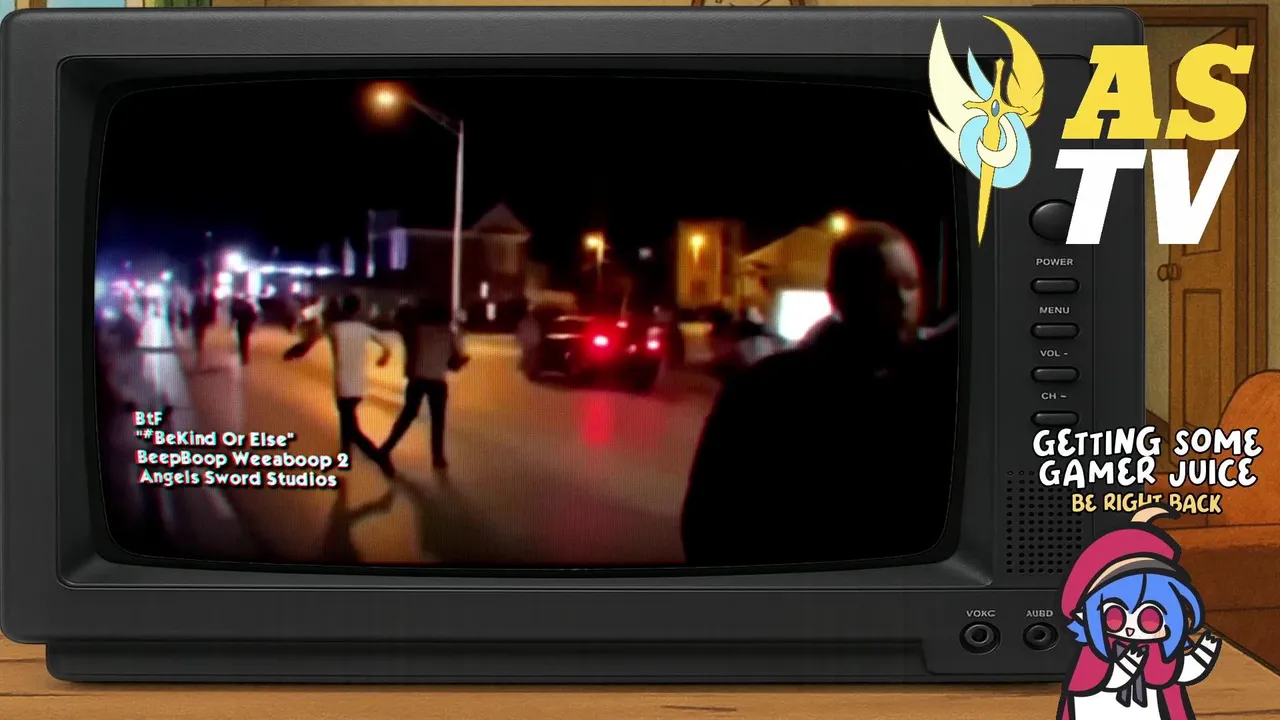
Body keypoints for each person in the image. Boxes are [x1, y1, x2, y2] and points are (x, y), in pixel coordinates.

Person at [680, 221, 957, 567]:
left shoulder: (934, 391)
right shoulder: (768, 393)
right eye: (883, 288)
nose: (902, 301)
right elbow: (709, 521)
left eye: (910, 285)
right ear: (838, 294)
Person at [286, 294, 396, 478]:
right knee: (347, 422)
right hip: (359, 387)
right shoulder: (363, 329)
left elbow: (309, 343)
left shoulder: (334, 328)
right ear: (358, 309)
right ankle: (345, 454)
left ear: (343, 308)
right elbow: (387, 345)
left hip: (342, 385)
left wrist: (294, 352)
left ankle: (379, 457)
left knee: (352, 429)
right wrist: (384, 358)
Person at [381, 299, 462, 470]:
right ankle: (438, 457)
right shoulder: (449, 334)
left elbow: (410, 350)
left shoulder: (416, 330)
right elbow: (454, 363)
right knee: (438, 421)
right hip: (438, 381)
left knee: (407, 416)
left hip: (417, 379)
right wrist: (458, 362)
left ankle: (386, 448)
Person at [191, 291, 217, 369]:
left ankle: (199, 359)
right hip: (200, 326)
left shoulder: (195, 307)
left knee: (198, 343)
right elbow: (209, 313)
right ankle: (199, 360)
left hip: (197, 327)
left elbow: (193, 316)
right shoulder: (202, 307)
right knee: (199, 343)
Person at [230, 294, 258, 365]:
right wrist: (252, 323)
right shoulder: (249, 305)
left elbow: (234, 315)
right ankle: (245, 356)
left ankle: (242, 353)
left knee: (240, 339)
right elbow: (254, 316)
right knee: (246, 340)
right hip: (247, 325)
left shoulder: (238, 306)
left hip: (240, 324)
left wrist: (232, 323)